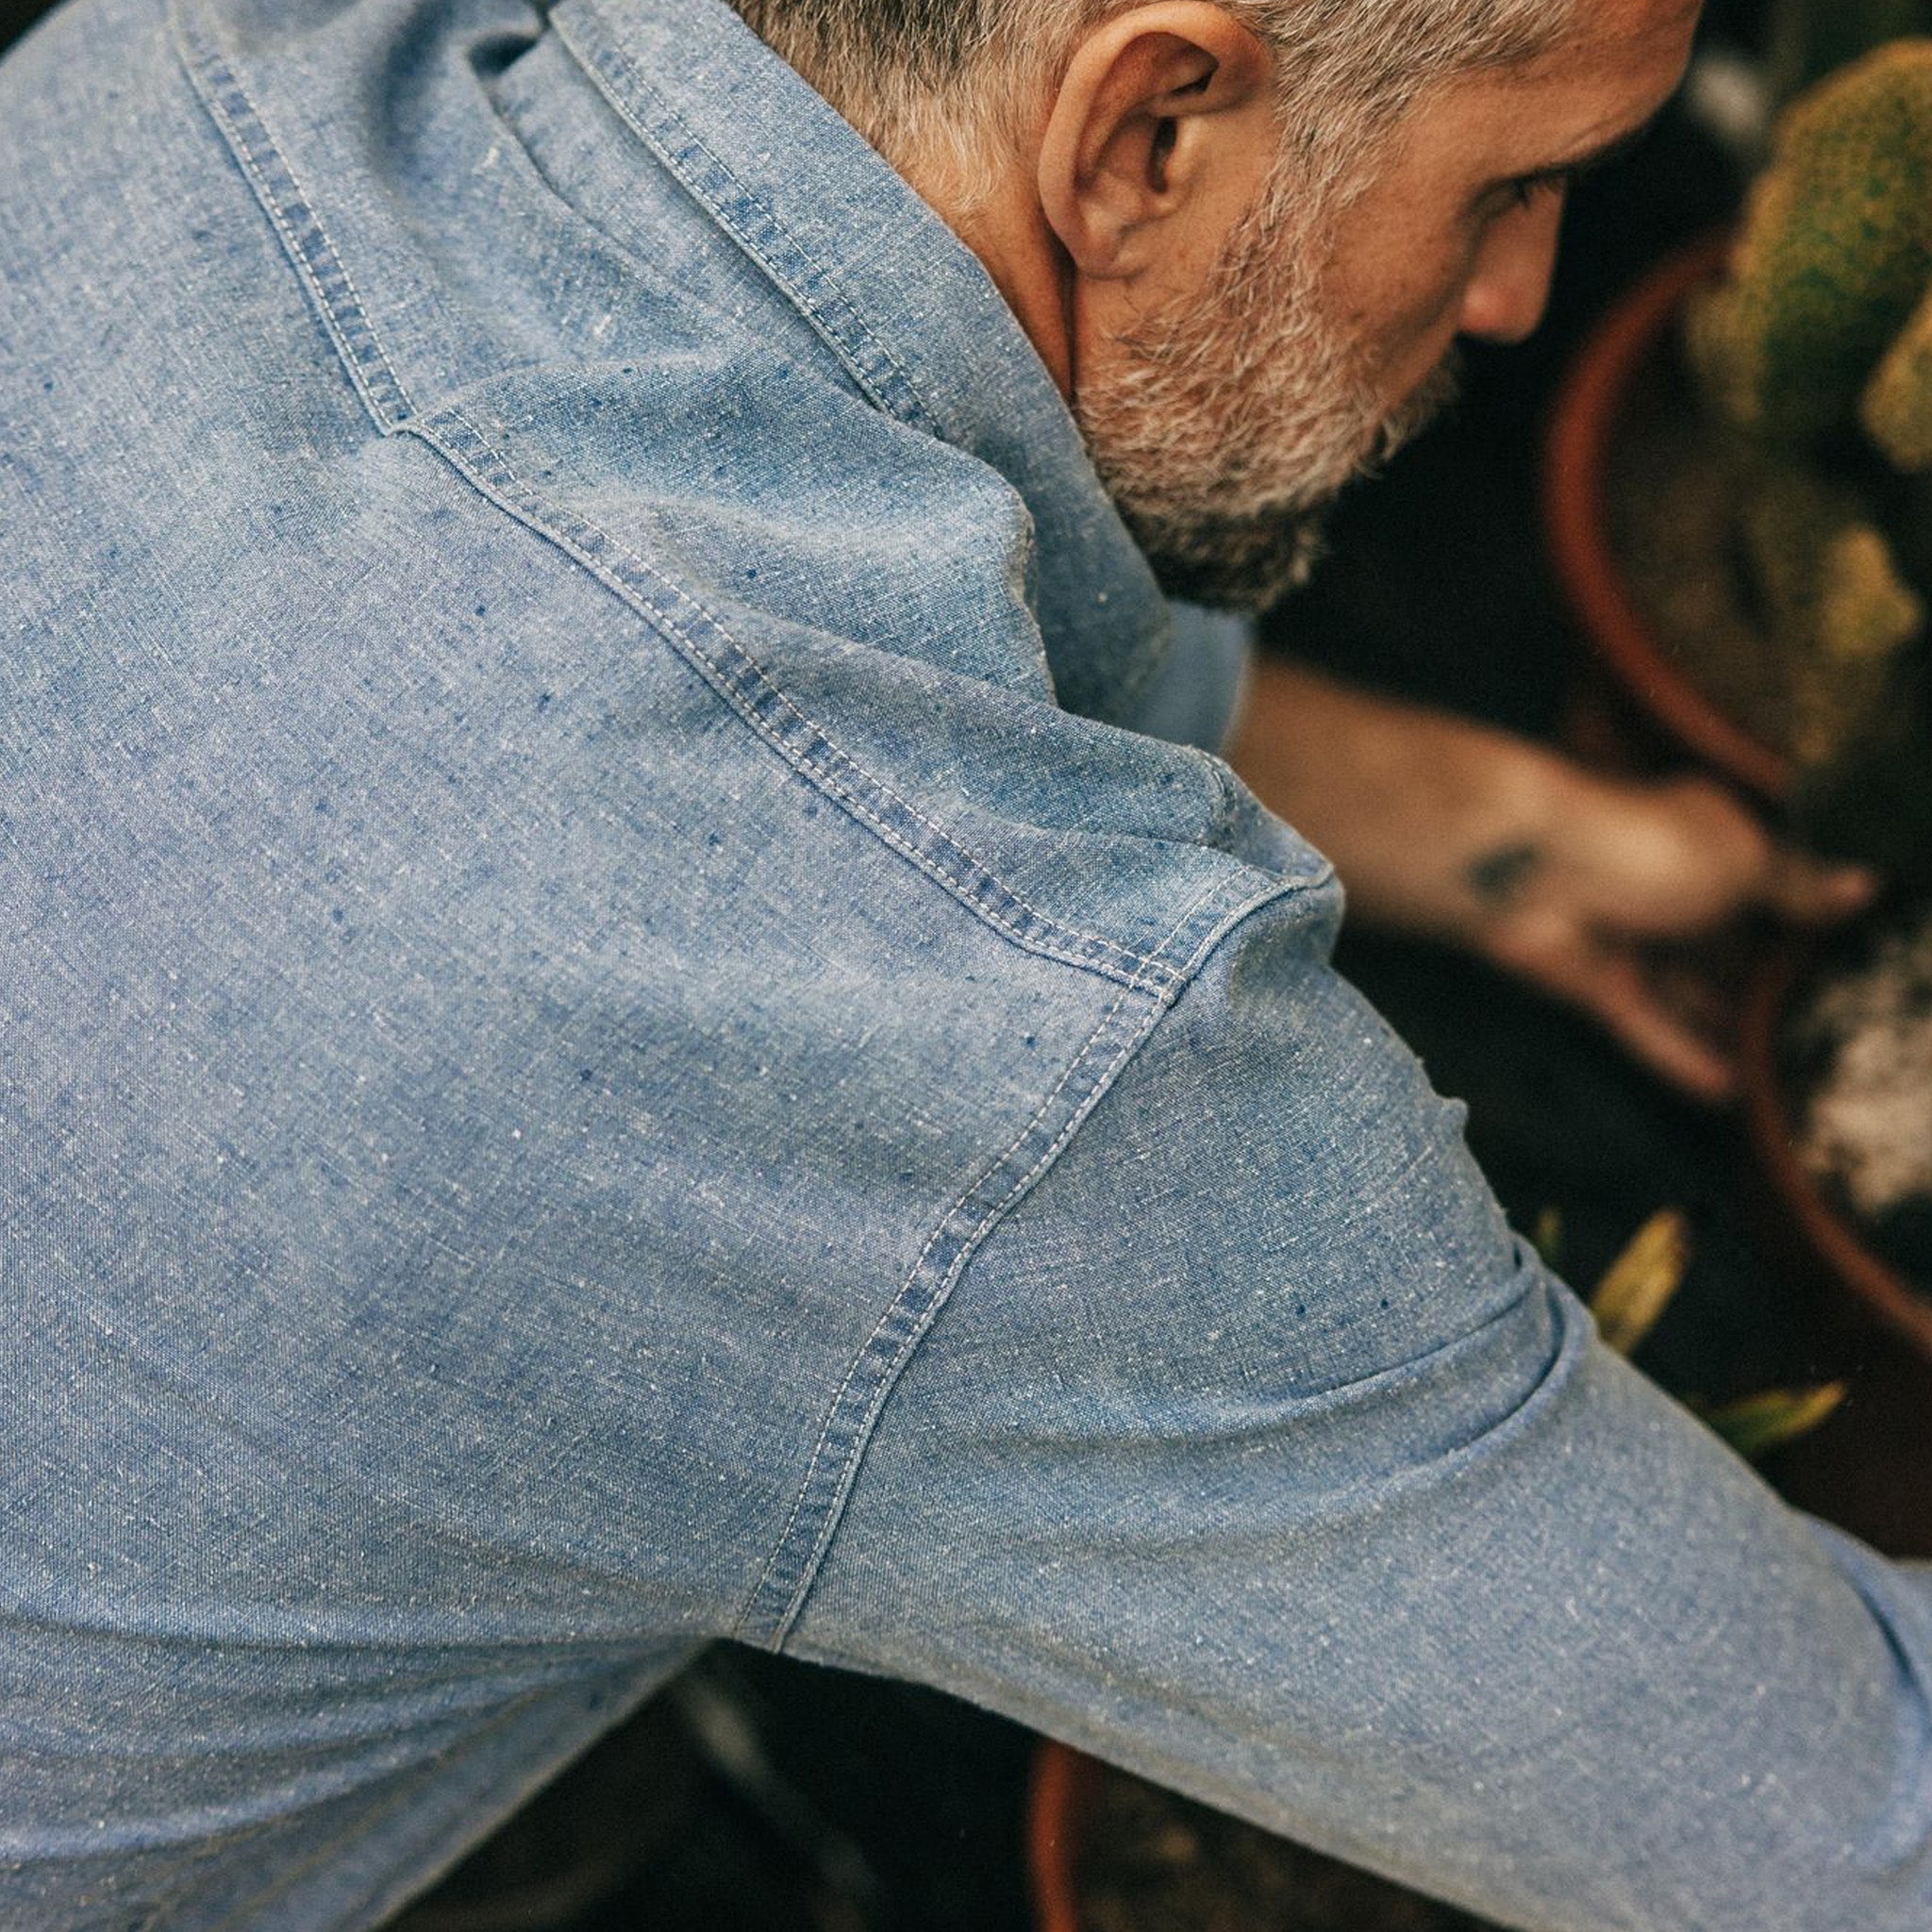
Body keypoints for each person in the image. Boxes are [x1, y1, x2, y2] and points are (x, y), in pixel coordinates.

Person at [0, 0, 1925, 1923]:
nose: (1521, 295)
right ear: (1147, 134)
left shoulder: (188, 54)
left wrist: (1510, 853)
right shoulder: (972, 1048)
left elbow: (788, 668)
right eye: (1513, 186)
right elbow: (1849, 1833)